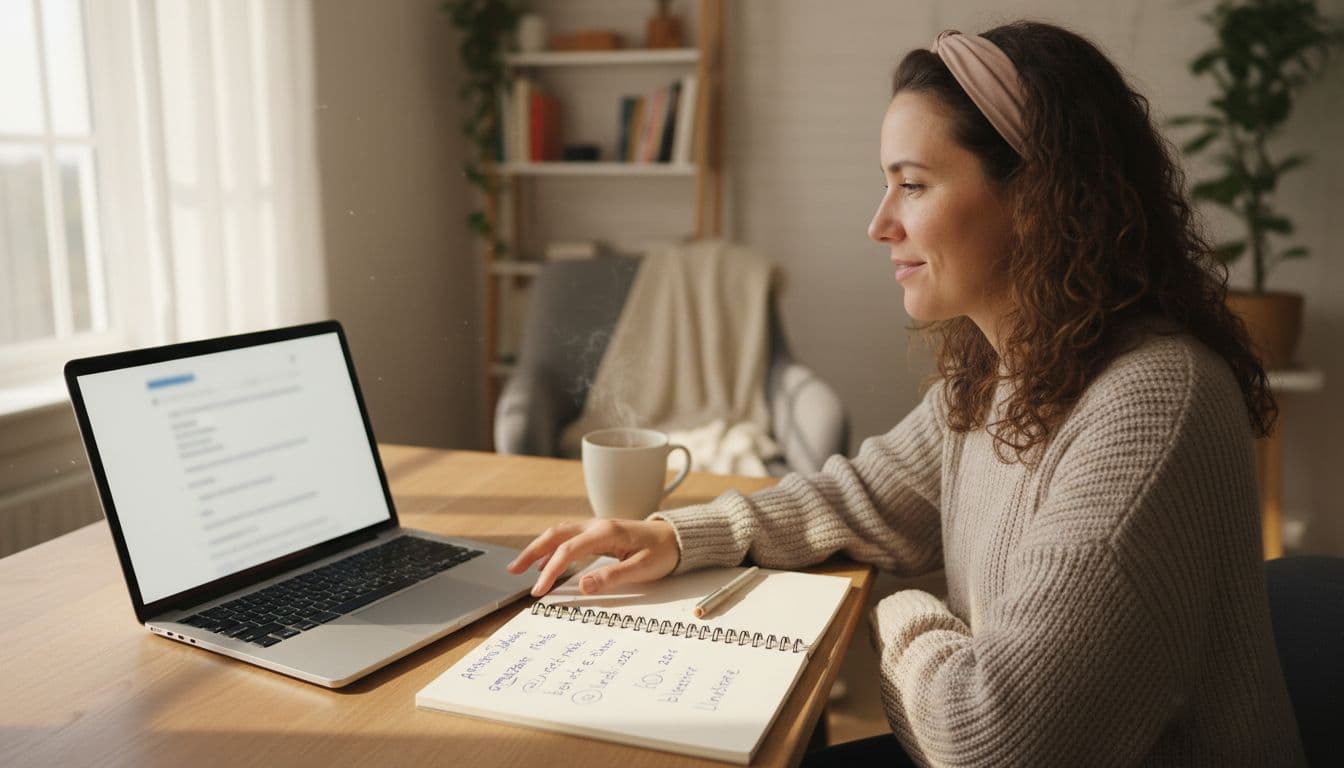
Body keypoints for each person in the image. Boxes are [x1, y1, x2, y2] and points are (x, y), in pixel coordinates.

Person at [507, 20, 1304, 766]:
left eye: (912, 185)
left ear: (1037, 197)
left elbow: (988, 734)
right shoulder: (1009, 370)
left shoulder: (1151, 405)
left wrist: (900, 612)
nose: (880, 223)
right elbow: (861, 497)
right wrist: (679, 536)